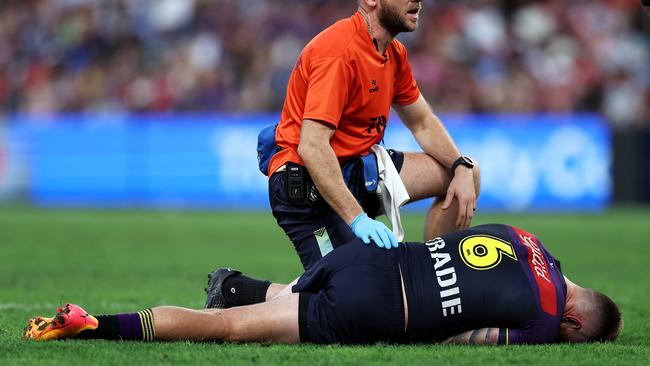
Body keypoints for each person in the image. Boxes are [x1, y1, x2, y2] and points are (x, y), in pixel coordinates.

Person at [24, 224, 621, 345]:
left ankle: (237, 284)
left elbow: (450, 236)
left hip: (369, 257)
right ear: (572, 322)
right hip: (381, 307)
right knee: (228, 332)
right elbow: (469, 340)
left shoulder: (526, 238)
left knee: (286, 299)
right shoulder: (544, 324)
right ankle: (94, 325)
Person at [265, 0, 481, 271]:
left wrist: (460, 166)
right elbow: (312, 146)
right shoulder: (339, 51)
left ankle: (435, 282)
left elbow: (423, 122)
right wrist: (358, 220)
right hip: (307, 184)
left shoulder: (394, 53)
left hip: (357, 170)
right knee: (349, 299)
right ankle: (238, 289)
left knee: (465, 174)